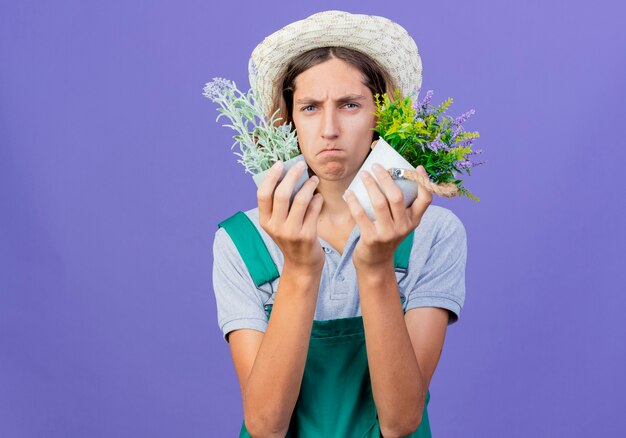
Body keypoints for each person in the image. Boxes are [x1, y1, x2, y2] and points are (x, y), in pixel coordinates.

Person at [212, 10, 467, 438]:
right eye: (310, 108)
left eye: (350, 105)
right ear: (288, 123)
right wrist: (300, 268)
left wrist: (376, 265)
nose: (329, 129)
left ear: (382, 117)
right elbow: (264, 424)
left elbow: (402, 422)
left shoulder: (433, 233)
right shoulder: (241, 240)